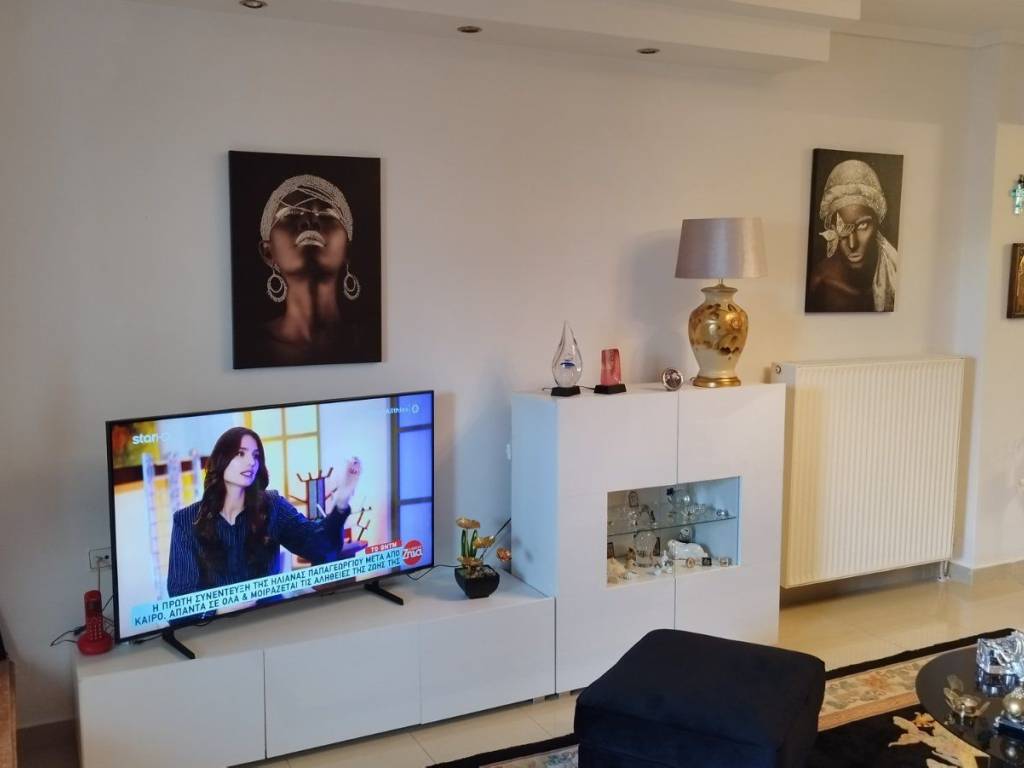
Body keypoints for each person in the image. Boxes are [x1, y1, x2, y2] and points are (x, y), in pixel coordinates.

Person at [167, 426, 362, 610]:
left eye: (256, 455)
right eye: (241, 453)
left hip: (272, 618)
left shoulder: (272, 505)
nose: (251, 462)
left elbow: (320, 547)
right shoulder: (185, 520)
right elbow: (180, 598)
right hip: (217, 629)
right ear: (221, 459)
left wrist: (341, 501)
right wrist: (220, 610)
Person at [249, 174, 368, 365]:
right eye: (291, 214)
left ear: (348, 250)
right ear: (268, 252)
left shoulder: (368, 341)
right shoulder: (251, 345)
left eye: (327, 215)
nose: (309, 222)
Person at [807, 159, 898, 313]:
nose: (852, 244)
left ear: (877, 223)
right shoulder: (820, 285)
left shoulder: (894, 272)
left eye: (862, 226)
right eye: (842, 229)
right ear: (831, 228)